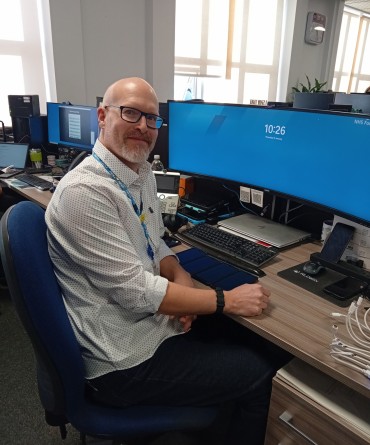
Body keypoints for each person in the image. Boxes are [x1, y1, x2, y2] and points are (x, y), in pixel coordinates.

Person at [45, 77, 290, 445]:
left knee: (254, 341)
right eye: (130, 113)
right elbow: (135, 292)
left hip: (148, 324)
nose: (143, 127)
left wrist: (182, 279)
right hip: (122, 357)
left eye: (151, 119)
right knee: (258, 372)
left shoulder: (138, 172)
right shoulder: (86, 193)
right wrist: (226, 301)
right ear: (101, 116)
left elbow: (155, 241)